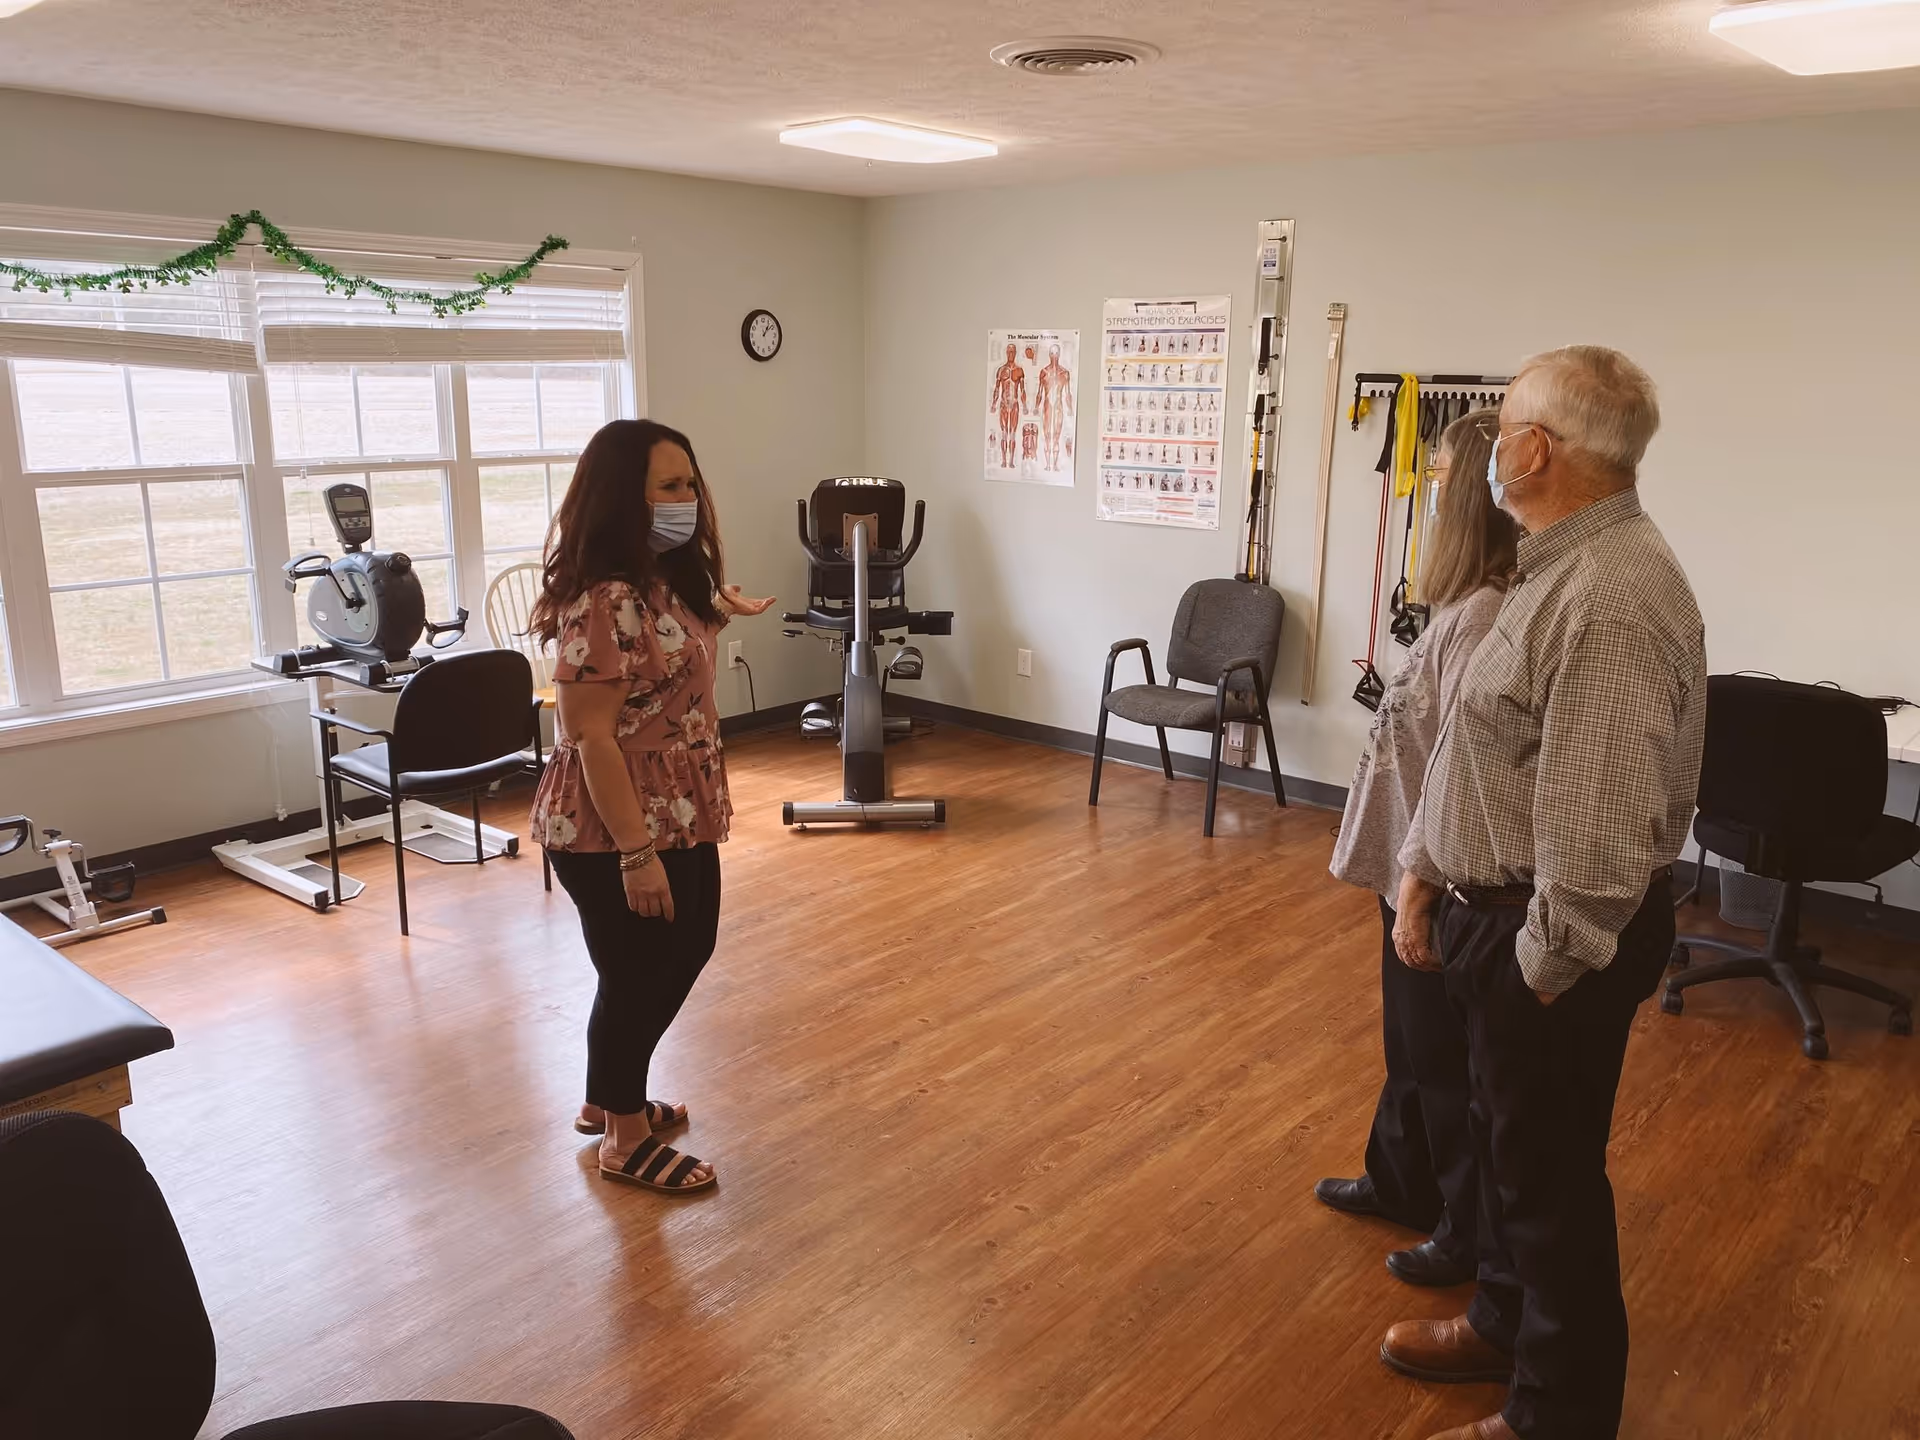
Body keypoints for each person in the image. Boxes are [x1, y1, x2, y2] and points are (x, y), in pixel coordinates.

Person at [1381, 348, 1707, 1440]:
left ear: (1536, 450)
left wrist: (1536, 971)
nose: (1488, 446)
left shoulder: (1612, 596)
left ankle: (1554, 1415)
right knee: (1510, 1156)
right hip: (1494, 915)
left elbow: (1602, 837)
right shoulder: (1551, 564)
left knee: (1551, 1184)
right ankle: (1501, 1325)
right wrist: (1425, 874)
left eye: (1504, 422)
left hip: (1549, 939)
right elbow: (1481, 750)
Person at [529, 419, 774, 1196]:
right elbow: (592, 737)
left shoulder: (663, 580)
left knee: (678, 950)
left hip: (678, 806)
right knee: (640, 971)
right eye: (667, 486)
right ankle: (625, 1140)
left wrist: (719, 609)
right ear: (620, 499)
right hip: (614, 820)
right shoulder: (603, 599)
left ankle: (610, 1095)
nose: (687, 499)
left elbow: (661, 666)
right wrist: (636, 854)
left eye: (689, 483)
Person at [1319, 408, 1517, 1288]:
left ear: (1470, 499)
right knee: (1409, 1044)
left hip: (1431, 874)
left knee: (1440, 1061)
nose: (1429, 494)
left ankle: (1460, 1228)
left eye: (1439, 482)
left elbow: (1460, 771)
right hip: (1406, 860)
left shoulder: (1483, 619)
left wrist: (1421, 889)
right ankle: (1400, 1178)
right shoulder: (1461, 606)